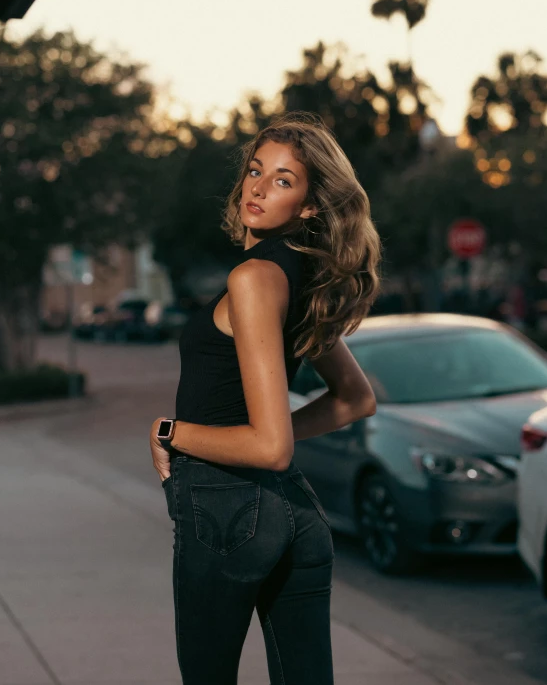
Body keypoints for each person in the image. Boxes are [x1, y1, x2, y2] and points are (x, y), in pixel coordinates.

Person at [149, 111, 381, 684]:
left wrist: (168, 433)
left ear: (307, 206)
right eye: (256, 170)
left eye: (283, 179)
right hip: (294, 514)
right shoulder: (301, 282)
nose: (257, 186)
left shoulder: (254, 279)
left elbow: (271, 445)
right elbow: (354, 400)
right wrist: (267, 432)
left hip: (226, 511)